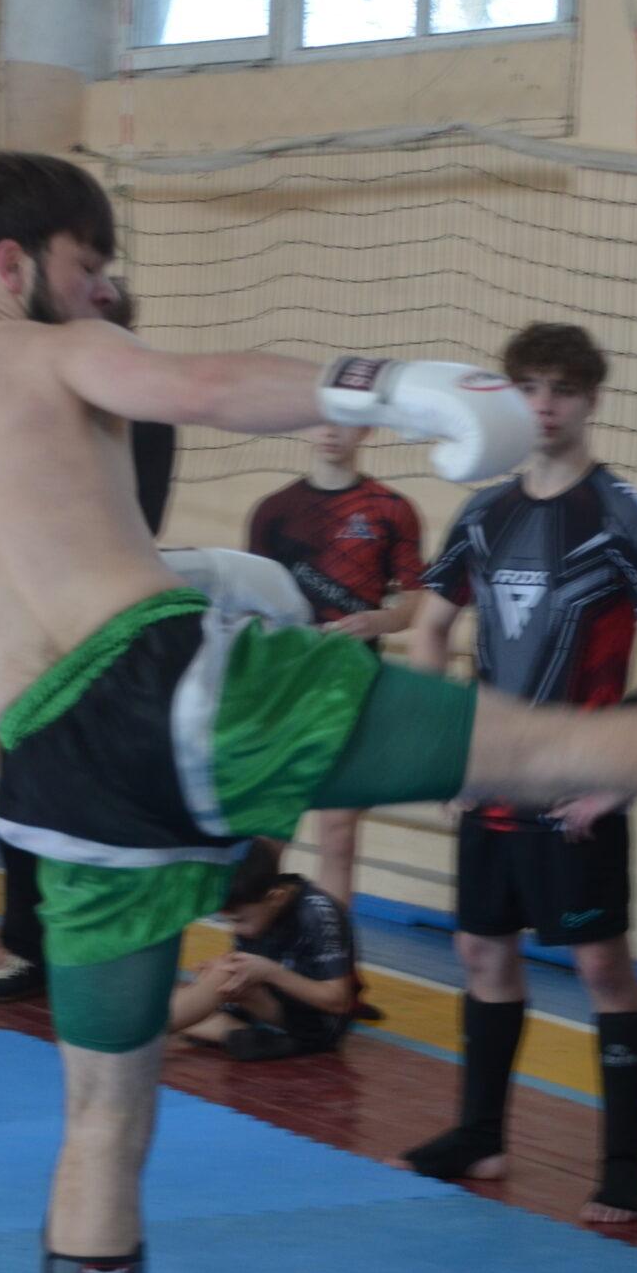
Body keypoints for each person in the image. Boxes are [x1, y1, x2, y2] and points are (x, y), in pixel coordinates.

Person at [0, 152, 637, 1273]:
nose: (106, 292)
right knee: (549, 751)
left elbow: (25, 610)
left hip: (55, 775)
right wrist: (400, 389)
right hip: (179, 691)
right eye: (89, 266)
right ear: (12, 265)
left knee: (102, 1116)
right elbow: (204, 389)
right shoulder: (42, 353)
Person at [396, 323, 637, 1224]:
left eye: (564, 389)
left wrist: (621, 773)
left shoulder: (623, 513)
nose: (547, 406)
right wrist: (441, 741)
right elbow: (431, 623)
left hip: (577, 783)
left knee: (601, 964)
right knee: (482, 949)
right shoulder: (483, 512)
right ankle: (481, 1134)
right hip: (493, 780)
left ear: (593, 398)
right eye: (532, 389)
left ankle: (624, 1168)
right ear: (511, 399)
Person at [0, 279, 176, 1006]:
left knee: (93, 808)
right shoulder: (35, 406)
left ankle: (96, 953)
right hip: (39, 630)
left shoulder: (141, 414)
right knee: (20, 799)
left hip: (106, 629)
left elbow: (135, 520)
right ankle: (33, 949)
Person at [247, 423, 425, 1020]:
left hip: (353, 691)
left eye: (345, 420)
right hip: (286, 692)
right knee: (265, 838)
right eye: (321, 417)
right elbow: (251, 604)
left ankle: (338, 983)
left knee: (340, 840)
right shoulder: (275, 511)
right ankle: (252, 970)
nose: (331, 431)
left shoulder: (390, 510)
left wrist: (375, 623)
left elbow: (413, 602)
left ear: (366, 427)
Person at [169, 839, 358, 1061]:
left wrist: (269, 972)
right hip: (273, 1005)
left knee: (224, 977)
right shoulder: (257, 906)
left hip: (318, 1022)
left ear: (275, 898)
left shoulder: (319, 914)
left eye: (240, 921)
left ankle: (140, 1031)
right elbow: (253, 962)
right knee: (218, 977)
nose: (236, 929)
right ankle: (240, 1035)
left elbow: (338, 1000)